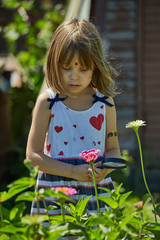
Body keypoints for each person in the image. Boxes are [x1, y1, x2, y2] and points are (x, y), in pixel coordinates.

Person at [26, 18, 121, 227]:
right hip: (55, 192)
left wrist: (103, 170)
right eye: (67, 67)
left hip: (96, 190)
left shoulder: (104, 103)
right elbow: (33, 156)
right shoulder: (49, 102)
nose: (74, 76)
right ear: (54, 63)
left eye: (83, 69)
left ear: (95, 66)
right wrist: (72, 172)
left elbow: (114, 150)